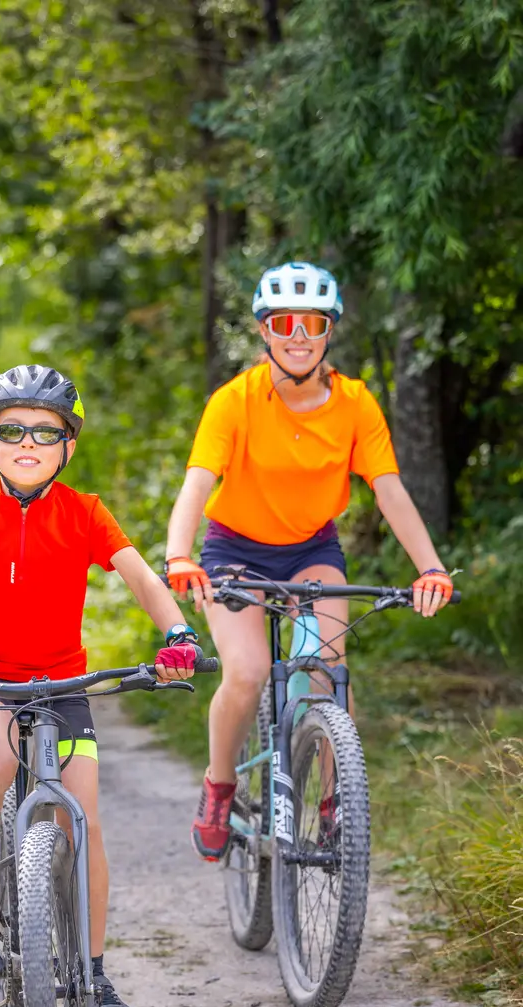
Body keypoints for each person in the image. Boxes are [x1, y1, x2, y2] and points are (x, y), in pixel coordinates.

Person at [0, 364, 202, 1007]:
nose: (28, 442)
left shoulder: (85, 513)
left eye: (46, 432)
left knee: (86, 822)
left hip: (63, 687)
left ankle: (94, 975)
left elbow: (144, 580)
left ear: (68, 445)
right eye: (12, 428)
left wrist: (178, 634)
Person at [163, 261, 453, 862]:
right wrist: (179, 555)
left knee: (327, 662)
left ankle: (334, 795)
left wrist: (431, 568)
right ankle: (220, 787)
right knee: (245, 672)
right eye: (285, 322)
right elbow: (196, 483)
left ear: (329, 332)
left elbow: (389, 490)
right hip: (234, 550)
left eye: (313, 323)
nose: (299, 334)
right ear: (265, 330)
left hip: (311, 550)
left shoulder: (354, 402)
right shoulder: (234, 401)